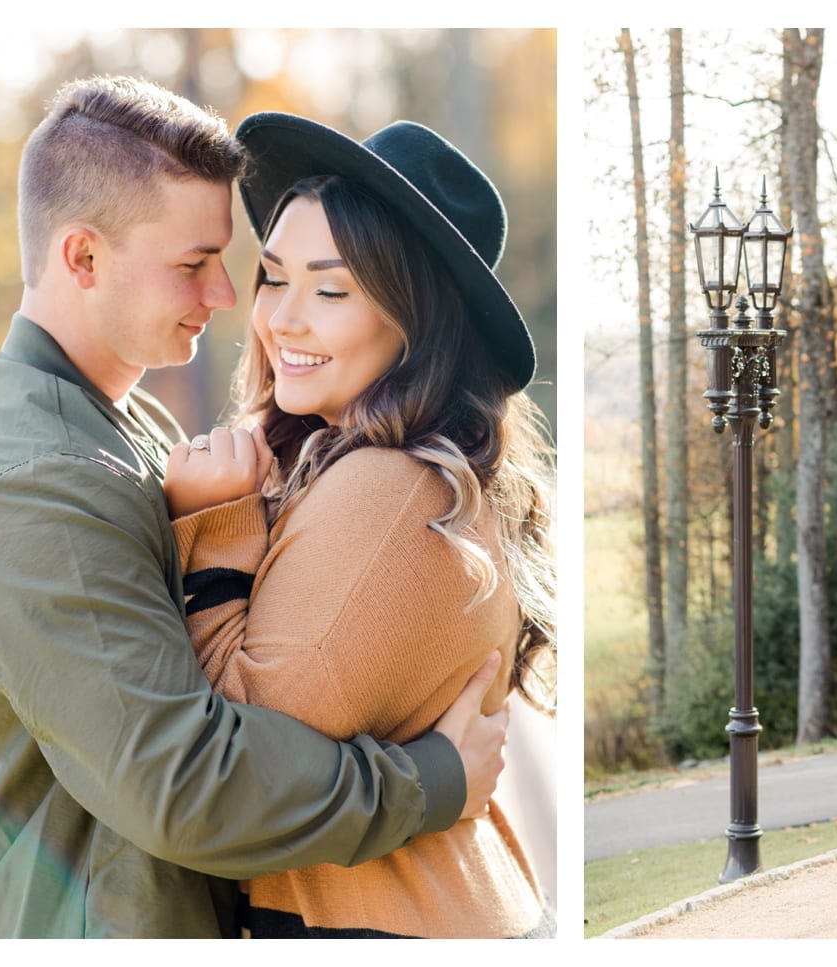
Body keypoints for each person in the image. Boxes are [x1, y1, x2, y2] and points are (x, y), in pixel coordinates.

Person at [0, 76, 510, 939]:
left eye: (232, 264)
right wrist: (433, 781)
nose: (229, 299)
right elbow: (186, 785)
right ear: (82, 258)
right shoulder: (38, 480)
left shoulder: (126, 424)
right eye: (195, 266)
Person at [160, 112, 556, 938]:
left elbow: (234, 764)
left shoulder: (388, 489)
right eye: (273, 277)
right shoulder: (359, 465)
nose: (282, 320)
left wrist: (215, 532)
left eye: (332, 289)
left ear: (415, 322)